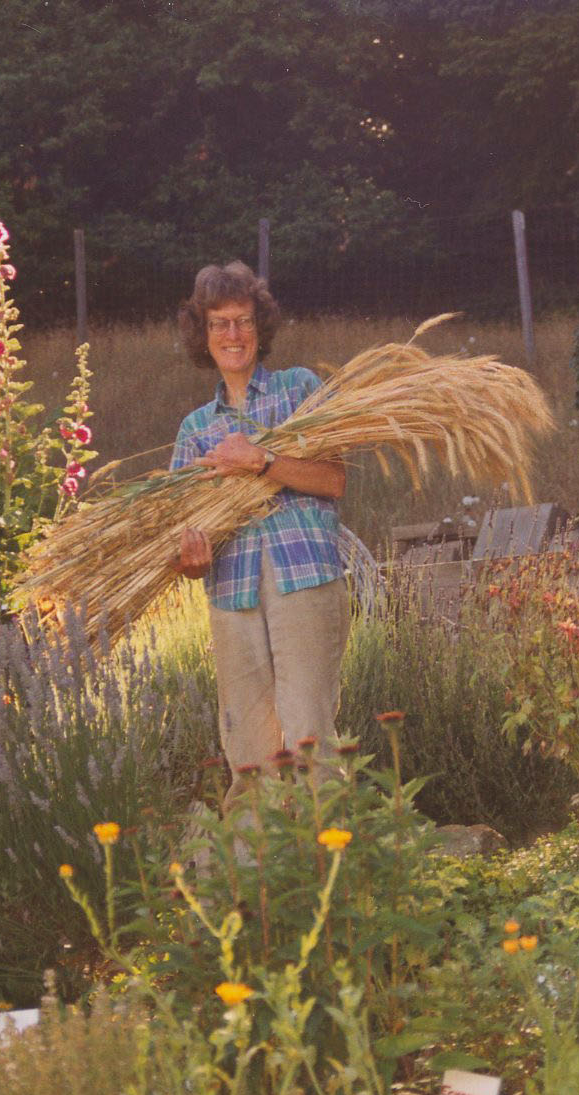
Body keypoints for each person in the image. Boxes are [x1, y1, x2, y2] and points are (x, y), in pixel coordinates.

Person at [170, 260, 350, 807]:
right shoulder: (196, 430)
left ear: (260, 327)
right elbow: (182, 548)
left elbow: (333, 480)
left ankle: (329, 867)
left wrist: (261, 460)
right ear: (203, 334)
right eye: (219, 323)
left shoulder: (301, 389)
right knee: (247, 746)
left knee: (307, 733)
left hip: (303, 580)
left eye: (243, 321)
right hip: (232, 595)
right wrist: (192, 560)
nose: (232, 334)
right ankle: (258, 879)